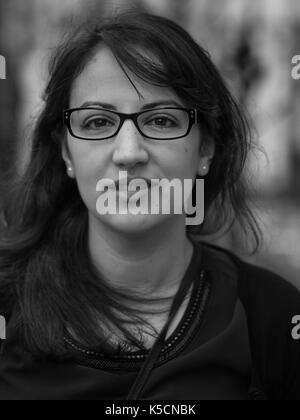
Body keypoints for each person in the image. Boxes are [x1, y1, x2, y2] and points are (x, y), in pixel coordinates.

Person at [0, 11, 299, 401]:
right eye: (97, 122)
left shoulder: (272, 318)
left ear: (205, 147)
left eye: (160, 120)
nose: (128, 153)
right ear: (65, 151)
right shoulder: (7, 305)